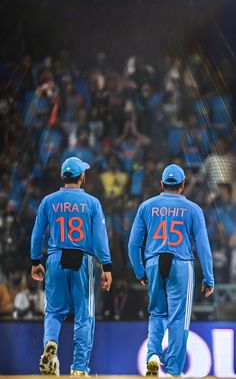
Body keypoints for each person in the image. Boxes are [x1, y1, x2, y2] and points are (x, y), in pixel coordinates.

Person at [128, 164, 214, 377]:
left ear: (161, 184)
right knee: (178, 318)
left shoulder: (146, 206)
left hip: (154, 262)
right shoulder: (194, 209)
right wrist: (208, 278)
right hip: (181, 264)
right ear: (183, 185)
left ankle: (153, 357)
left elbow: (133, 245)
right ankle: (174, 371)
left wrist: (140, 271)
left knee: (157, 314)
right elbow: (203, 247)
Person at [30, 156, 112, 376]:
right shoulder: (92, 203)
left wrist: (35, 261)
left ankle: (50, 344)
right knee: (84, 316)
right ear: (82, 177)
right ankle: (78, 368)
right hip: (82, 260)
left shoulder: (48, 201)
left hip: (55, 259)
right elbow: (100, 239)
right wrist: (107, 266)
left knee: (54, 312)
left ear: (62, 177)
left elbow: (37, 234)